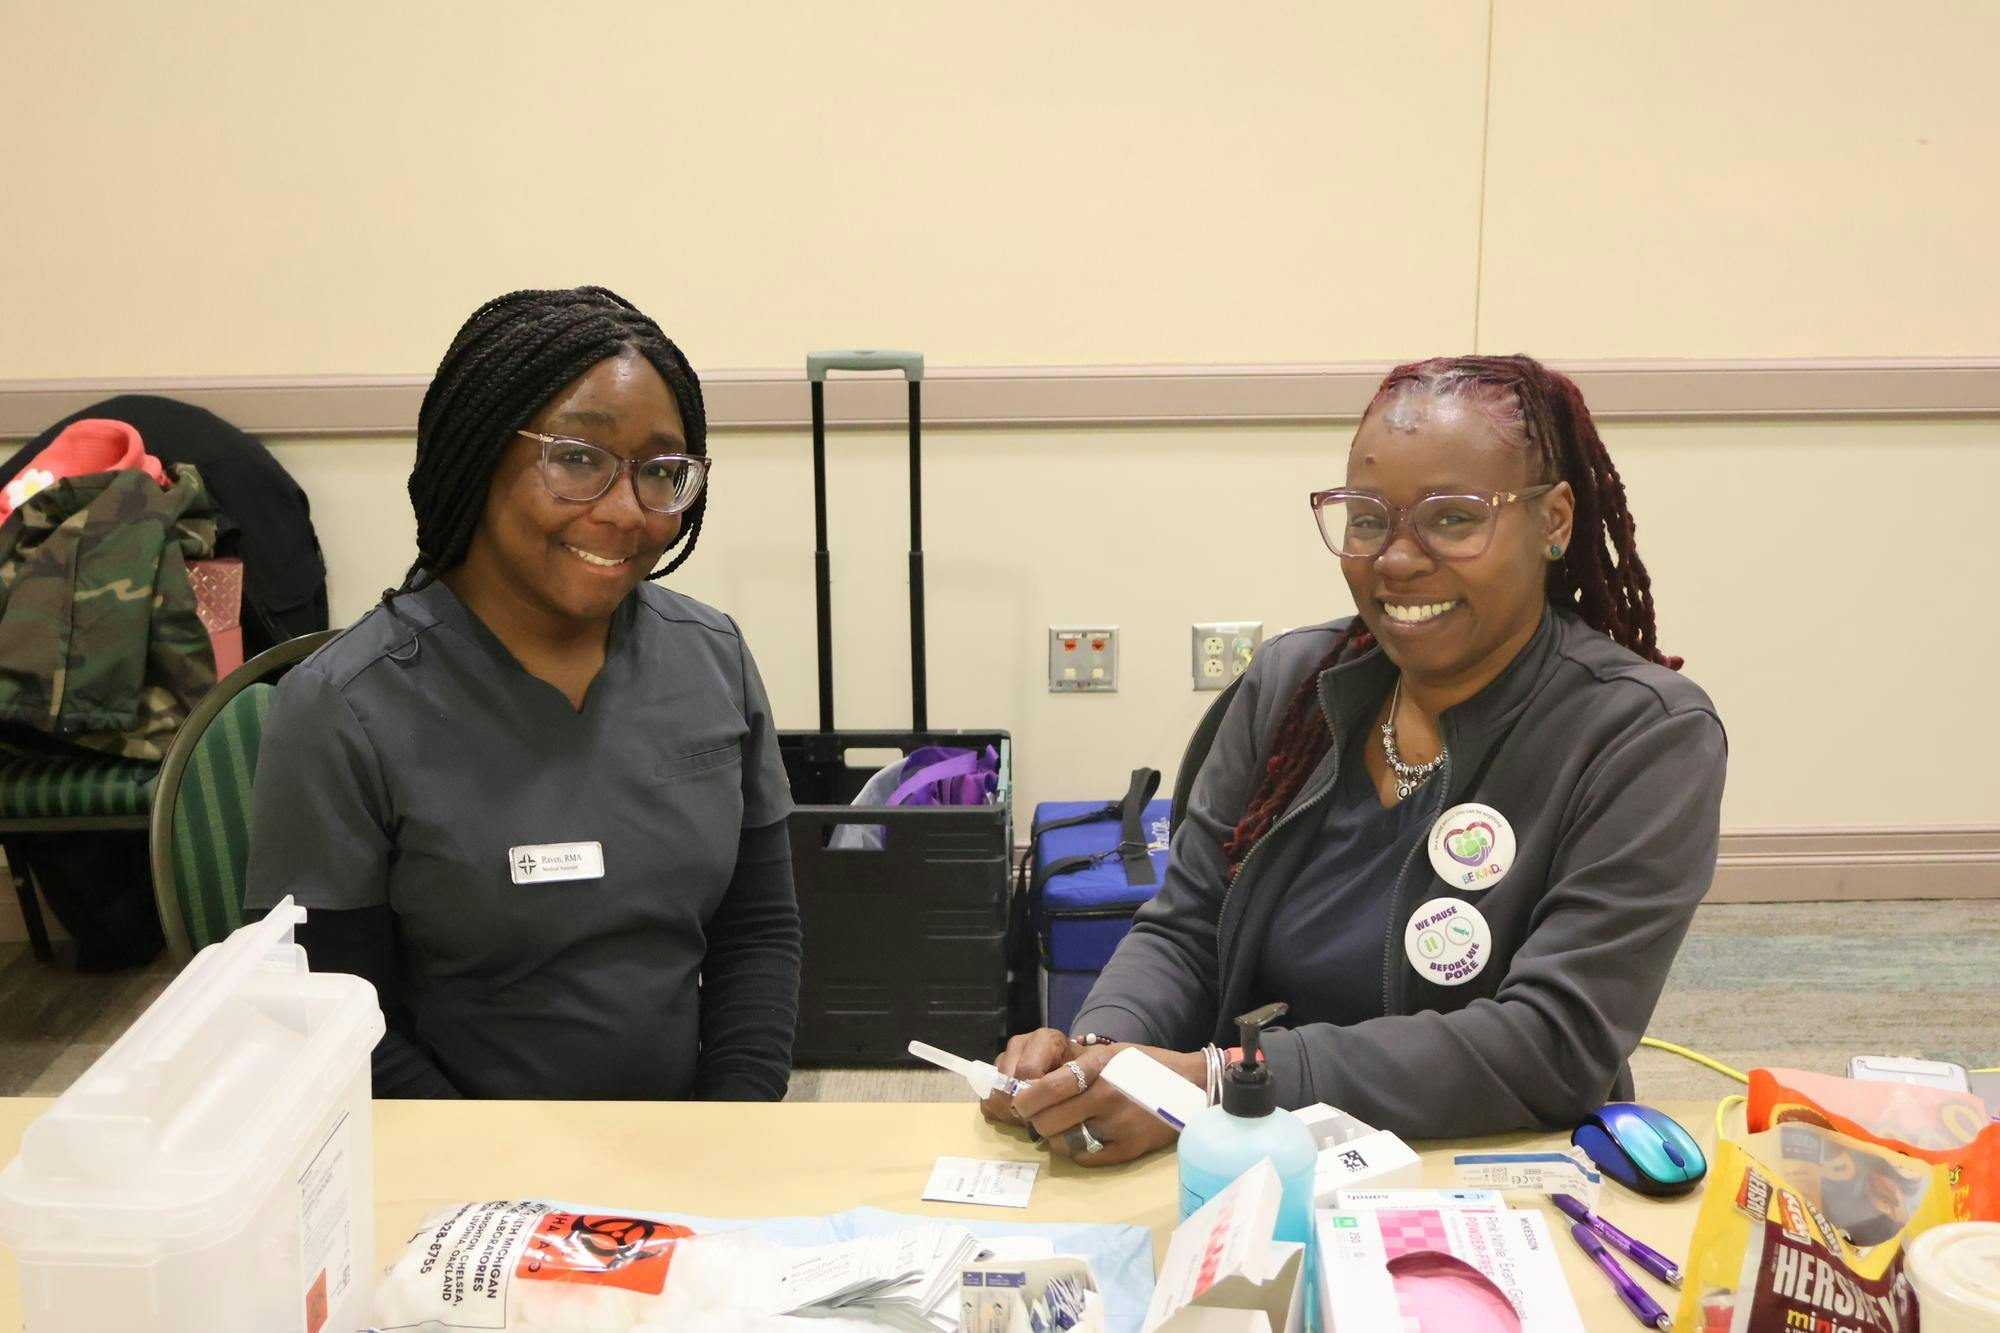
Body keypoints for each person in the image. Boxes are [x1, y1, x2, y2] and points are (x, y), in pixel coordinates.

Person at [988, 354, 1726, 1163]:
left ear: (1554, 520)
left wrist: (1222, 1079)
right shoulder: (1291, 687)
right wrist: (1098, 1051)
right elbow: (1188, 926)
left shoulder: (1642, 734)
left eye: (1452, 518)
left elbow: (1553, 1043)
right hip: (1245, 1150)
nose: (1399, 559)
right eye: (1369, 518)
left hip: (1487, 1166)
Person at [244, 286, 801, 1101]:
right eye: (577, 458)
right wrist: (501, 1193)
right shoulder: (346, 709)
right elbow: (330, 1017)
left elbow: (758, 934)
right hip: (455, 1183)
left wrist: (727, 1128)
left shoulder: (710, 658)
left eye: (661, 472)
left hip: (683, 1161)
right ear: (475, 452)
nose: (625, 511)